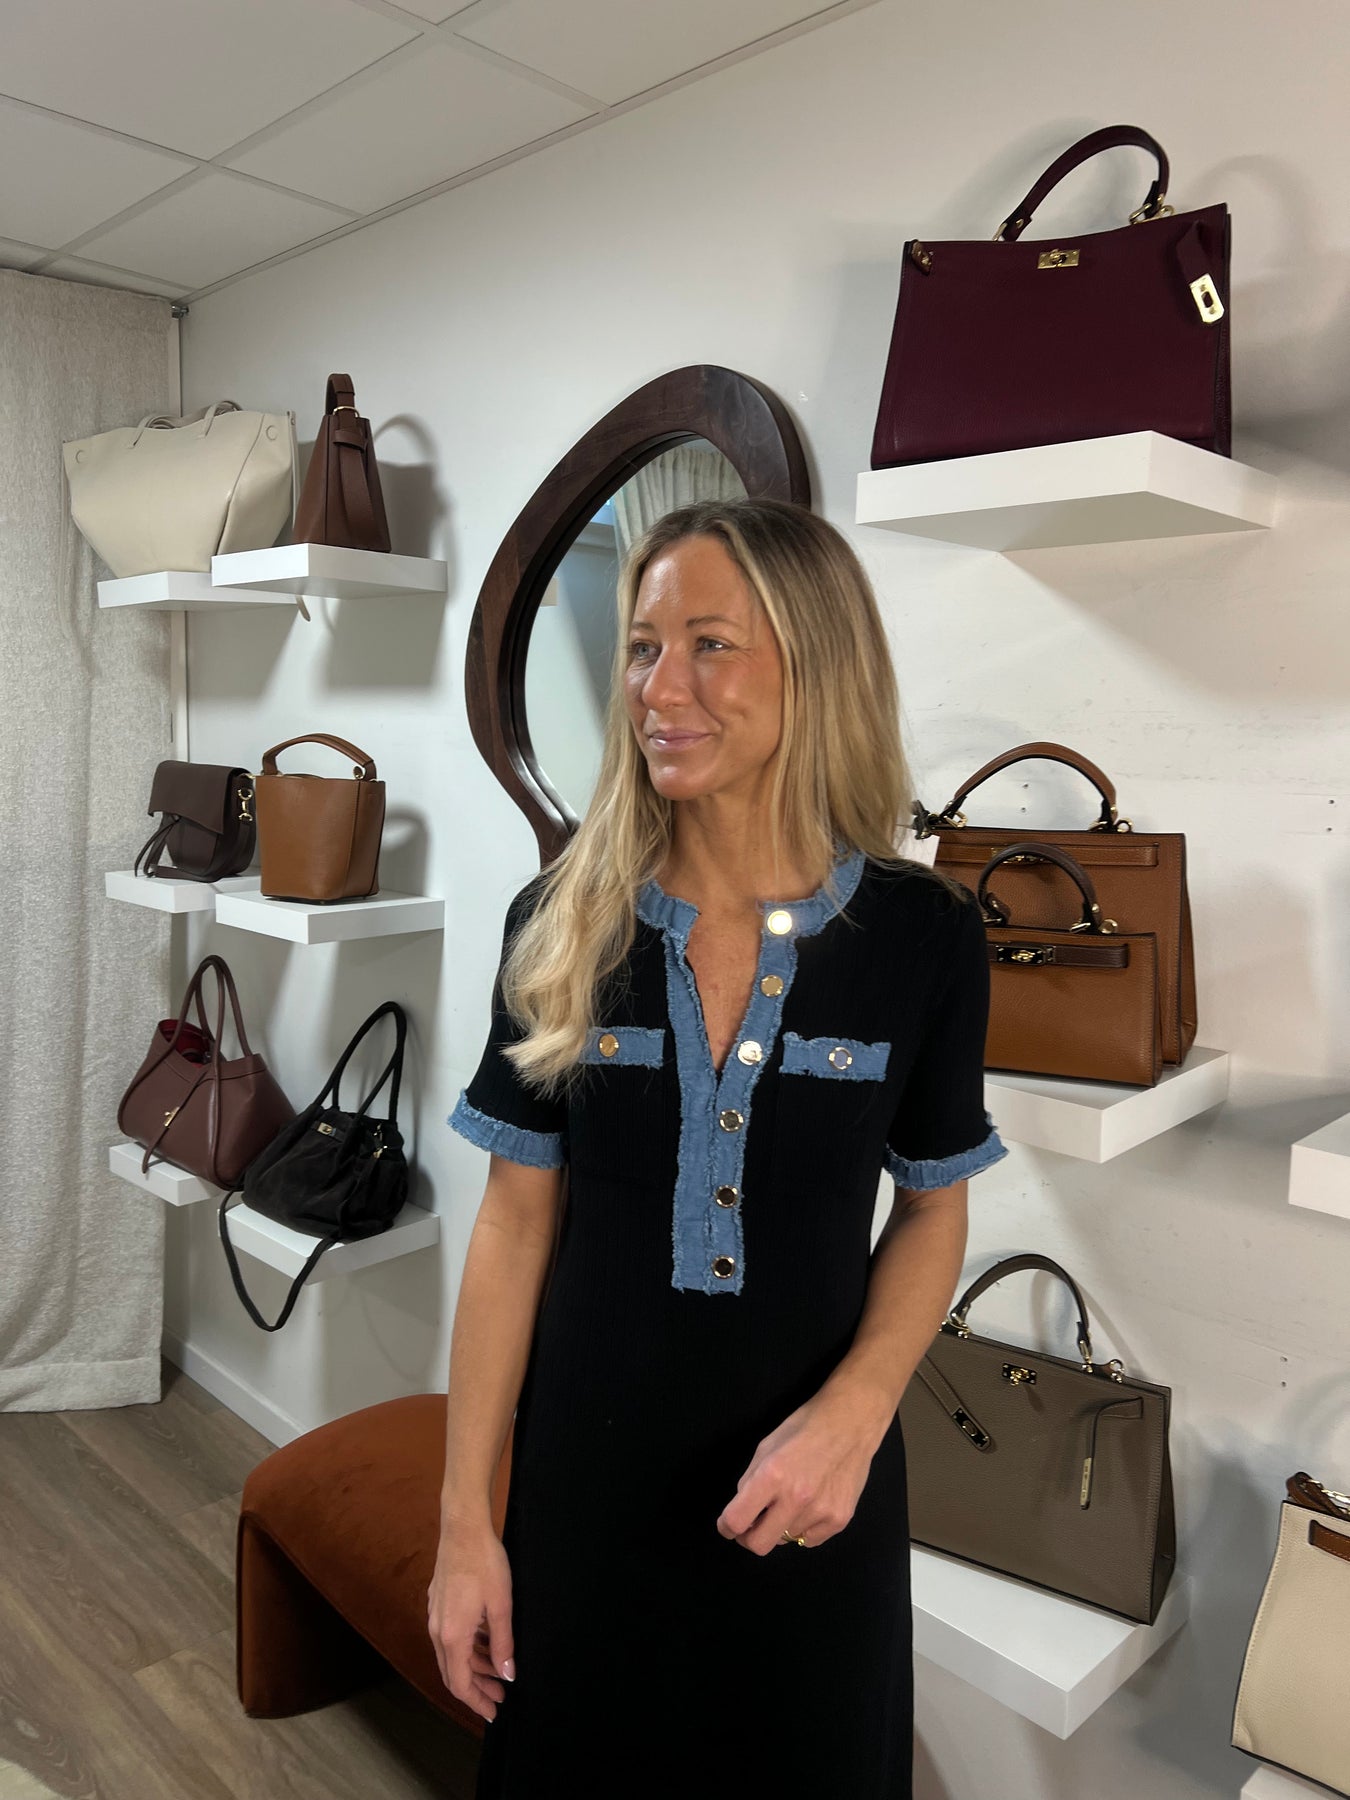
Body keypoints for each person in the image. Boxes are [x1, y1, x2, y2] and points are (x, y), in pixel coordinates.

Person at [428, 496, 1007, 1798]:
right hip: (585, 1496)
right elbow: (513, 1225)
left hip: (811, 1502)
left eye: (709, 644)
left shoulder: (922, 938)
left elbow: (932, 1206)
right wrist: (466, 1525)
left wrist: (857, 1414)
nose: (658, 687)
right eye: (642, 648)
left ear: (815, 663)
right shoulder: (558, 923)